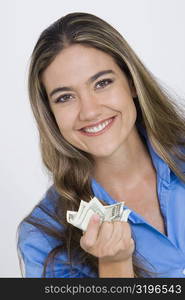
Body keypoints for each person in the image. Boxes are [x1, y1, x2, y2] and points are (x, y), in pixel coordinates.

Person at [17, 12, 185, 278]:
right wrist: (114, 264)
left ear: (131, 82)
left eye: (102, 83)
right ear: (50, 113)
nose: (90, 112)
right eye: (65, 97)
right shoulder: (41, 238)